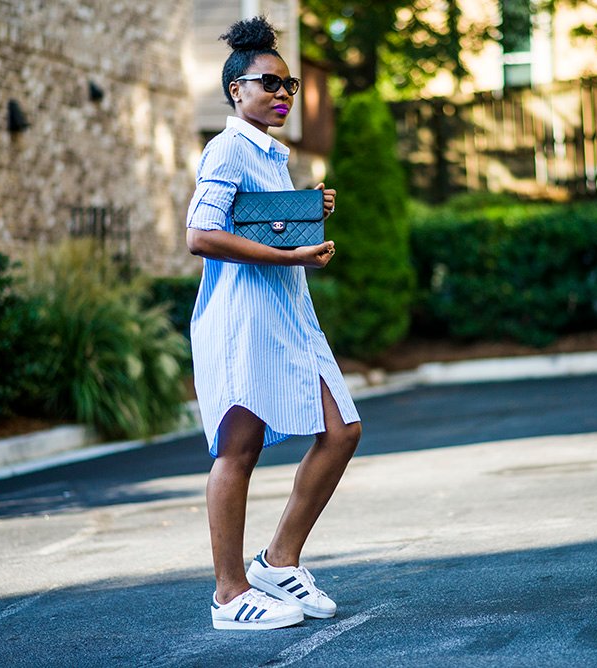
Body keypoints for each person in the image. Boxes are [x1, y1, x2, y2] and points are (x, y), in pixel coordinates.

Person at [185, 16, 362, 631]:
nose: (283, 94)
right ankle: (229, 596)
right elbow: (202, 235)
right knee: (239, 449)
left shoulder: (269, 154)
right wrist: (292, 255)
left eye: (288, 85)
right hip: (243, 319)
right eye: (269, 84)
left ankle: (277, 560)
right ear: (237, 91)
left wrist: (305, 209)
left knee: (341, 431)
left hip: (289, 315)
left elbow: (256, 224)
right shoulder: (228, 146)